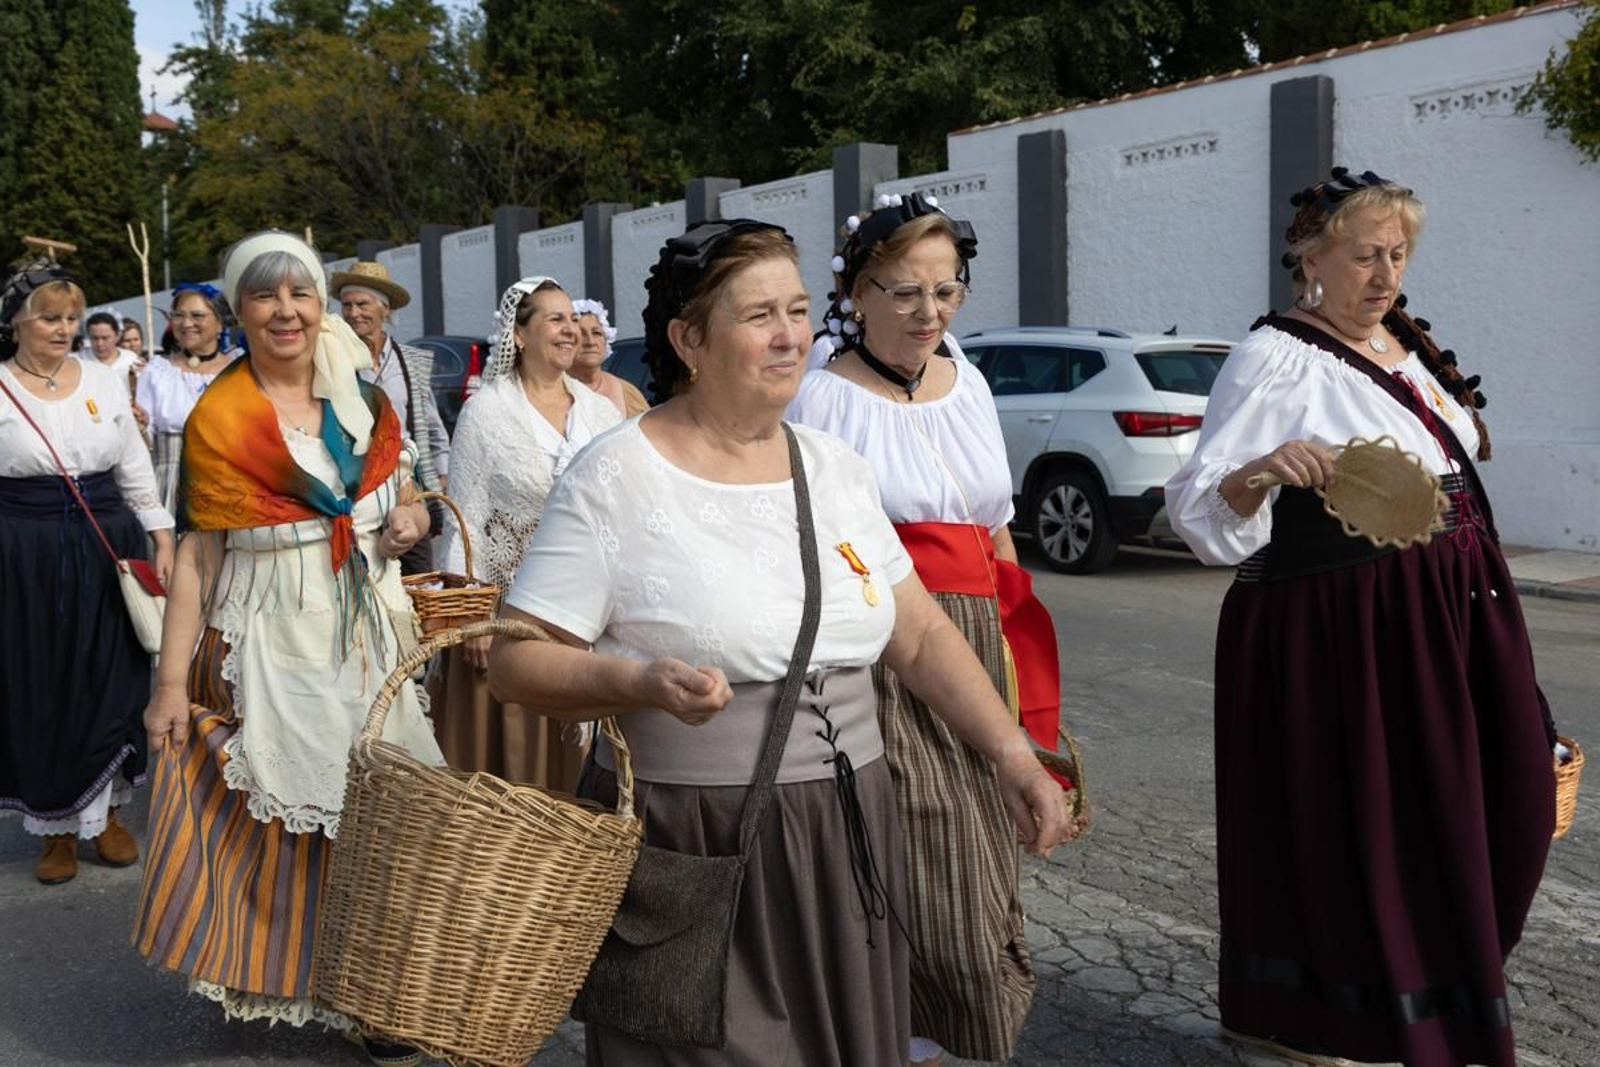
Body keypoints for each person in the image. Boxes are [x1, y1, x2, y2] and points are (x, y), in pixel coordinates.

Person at [487, 219, 1074, 1066]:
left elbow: (915, 633)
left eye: (798, 309)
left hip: (850, 827)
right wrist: (641, 681)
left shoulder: (834, 466)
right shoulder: (615, 475)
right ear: (689, 339)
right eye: (759, 313)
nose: (791, 333)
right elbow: (515, 659)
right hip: (698, 834)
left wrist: (1013, 757)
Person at [1166, 169, 1556, 1067]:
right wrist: (1265, 466)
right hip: (1348, 619)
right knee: (1372, 824)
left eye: (1397, 253)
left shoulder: (1405, 346)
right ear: (1312, 259)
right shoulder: (1275, 355)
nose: (1384, 273)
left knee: (1510, 796)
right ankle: (1353, 1017)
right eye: (1363, 254)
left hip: (1455, 609)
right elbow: (1197, 506)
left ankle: (1437, 981)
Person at [132, 232, 443, 1066]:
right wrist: (168, 683)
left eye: (299, 293)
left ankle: (384, 985)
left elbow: (403, 492)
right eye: (265, 297)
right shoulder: (220, 419)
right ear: (240, 313)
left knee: (393, 806)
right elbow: (197, 558)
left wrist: (413, 518)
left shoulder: (362, 400)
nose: (286, 311)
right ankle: (323, 978)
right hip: (275, 621)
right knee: (305, 819)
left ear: (319, 304)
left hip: (370, 624)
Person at [789, 191, 1076, 1065]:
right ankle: (918, 1037)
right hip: (888, 647)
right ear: (858, 293)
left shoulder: (970, 380)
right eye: (906, 291)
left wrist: (1019, 641)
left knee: (986, 845)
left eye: (947, 291)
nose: (930, 313)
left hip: (978, 629)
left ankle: (950, 1039)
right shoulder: (824, 400)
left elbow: (994, 525)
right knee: (924, 858)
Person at [0, 261, 174, 885]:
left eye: (71, 317)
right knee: (42, 682)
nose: (64, 328)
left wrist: (160, 535)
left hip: (108, 545)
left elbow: (132, 465)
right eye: (50, 316)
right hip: (25, 553)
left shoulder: (103, 377)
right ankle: (58, 828)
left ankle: (110, 817)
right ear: (17, 319)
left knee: (114, 680)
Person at [428, 276, 620, 789]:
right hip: (510, 617)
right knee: (514, 766)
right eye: (554, 319)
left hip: (589, 615)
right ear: (519, 334)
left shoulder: (601, 411)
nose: (571, 329)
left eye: (573, 319)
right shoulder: (487, 412)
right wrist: (476, 616)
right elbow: (464, 520)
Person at [332, 260, 451, 574]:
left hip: (405, 486)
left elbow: (431, 428)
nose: (353, 313)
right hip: (356, 486)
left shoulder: (410, 361)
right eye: (347, 305)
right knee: (363, 573)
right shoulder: (332, 359)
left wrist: (442, 476)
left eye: (362, 304)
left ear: (384, 309)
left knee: (419, 576)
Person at [135, 283, 240, 511]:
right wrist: (140, 427)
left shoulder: (239, 368)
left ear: (220, 323)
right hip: (174, 486)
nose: (186, 323)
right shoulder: (157, 372)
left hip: (231, 483)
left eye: (197, 315)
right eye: (178, 316)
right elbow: (143, 444)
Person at [571, 297, 648, 417]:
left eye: (597, 333)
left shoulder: (627, 393)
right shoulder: (551, 391)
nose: (590, 342)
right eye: (581, 334)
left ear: (606, 340)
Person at [81, 311, 144, 377]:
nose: (100, 344)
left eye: (105, 338)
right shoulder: (79, 360)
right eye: (95, 338)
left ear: (117, 336)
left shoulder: (131, 360)